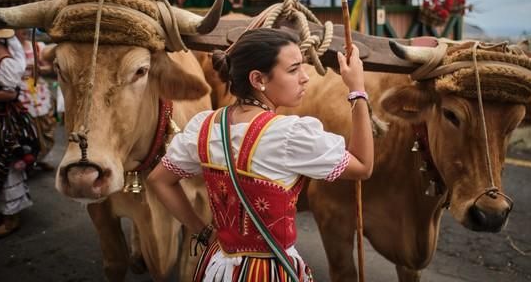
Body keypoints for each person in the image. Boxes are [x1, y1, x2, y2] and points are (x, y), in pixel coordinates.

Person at [148, 28, 373, 281]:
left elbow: (159, 180)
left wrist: (201, 231)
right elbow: (363, 166)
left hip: (219, 267)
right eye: (293, 69)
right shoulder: (289, 135)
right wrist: (357, 90)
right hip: (269, 272)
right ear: (258, 79)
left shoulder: (204, 127)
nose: (305, 78)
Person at [0, 28, 36, 238]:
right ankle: (0, 209)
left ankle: (12, 216)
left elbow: (9, 93)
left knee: (5, 161)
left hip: (2, 122)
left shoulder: (6, 63)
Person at [14, 29, 56, 171]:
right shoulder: (9, 49)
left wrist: (39, 69)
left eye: (26, 28)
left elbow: (50, 68)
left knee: (46, 124)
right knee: (26, 126)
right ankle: (27, 158)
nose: (24, 31)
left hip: (39, 91)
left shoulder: (39, 46)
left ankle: (42, 157)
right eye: (21, 28)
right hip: (20, 93)